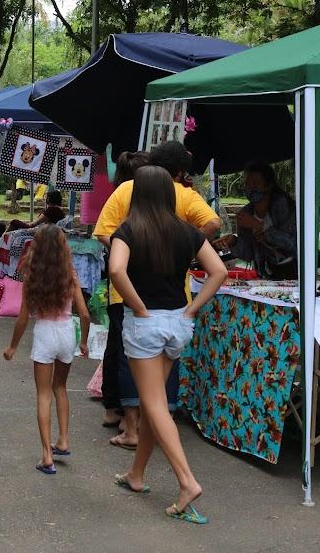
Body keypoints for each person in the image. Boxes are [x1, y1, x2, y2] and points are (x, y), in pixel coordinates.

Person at [109, 165, 226, 525]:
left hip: (146, 325)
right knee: (152, 400)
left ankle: (187, 482)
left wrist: (139, 307)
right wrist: (191, 309)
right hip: (178, 323)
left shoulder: (128, 230)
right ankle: (136, 474)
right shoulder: (186, 231)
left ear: (138, 193)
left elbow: (116, 270)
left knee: (156, 405)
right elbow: (219, 270)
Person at [94, 143, 220, 449]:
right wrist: (191, 309)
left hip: (135, 306)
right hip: (177, 307)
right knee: (164, 377)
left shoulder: (125, 198)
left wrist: (135, 300)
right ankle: (151, 443)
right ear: (175, 178)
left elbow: (107, 246)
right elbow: (215, 234)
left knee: (129, 363)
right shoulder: (186, 218)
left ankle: (134, 427)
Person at [3, 225, 90, 475]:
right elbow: (83, 313)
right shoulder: (70, 275)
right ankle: (63, 440)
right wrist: (83, 341)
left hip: (44, 334)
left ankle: (47, 456)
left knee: (43, 394)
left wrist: (12, 347)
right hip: (66, 334)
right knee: (60, 388)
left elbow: (22, 319)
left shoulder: (32, 277)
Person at [213, 161, 297, 279]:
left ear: (268, 185)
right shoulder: (245, 214)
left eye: (256, 183)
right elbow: (248, 254)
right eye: (247, 184)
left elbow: (294, 244)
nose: (251, 188)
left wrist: (259, 225)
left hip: (297, 271)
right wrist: (233, 241)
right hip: (267, 275)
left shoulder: (284, 207)